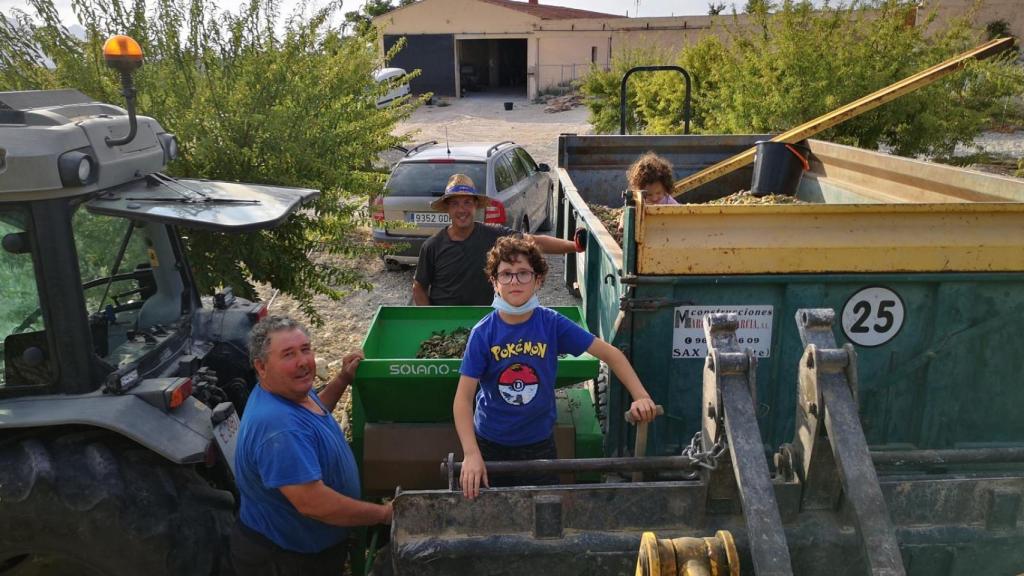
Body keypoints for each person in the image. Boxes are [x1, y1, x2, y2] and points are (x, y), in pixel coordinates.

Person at [453, 237, 658, 499]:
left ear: (538, 280)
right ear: (494, 282)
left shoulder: (551, 324)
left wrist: (641, 396)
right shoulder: (483, 333)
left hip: (538, 444)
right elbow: (463, 398)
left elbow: (612, 354)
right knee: (495, 515)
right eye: (506, 274)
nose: (514, 281)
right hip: (490, 443)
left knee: (543, 515)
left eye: (523, 273)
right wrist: (471, 454)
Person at [231, 315, 392, 576]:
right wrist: (384, 514)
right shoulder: (278, 427)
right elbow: (314, 504)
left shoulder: (291, 395)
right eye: (288, 354)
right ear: (261, 367)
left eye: (305, 349)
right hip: (287, 560)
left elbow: (315, 414)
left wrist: (342, 379)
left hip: (310, 549)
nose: (303, 361)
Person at [412, 173, 583, 306]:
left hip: (488, 320)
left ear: (475, 206)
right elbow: (419, 287)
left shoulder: (494, 235)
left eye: (467, 203)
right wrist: (430, 319)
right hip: (446, 322)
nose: (461, 209)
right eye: (455, 204)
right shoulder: (433, 246)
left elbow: (533, 241)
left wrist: (575, 246)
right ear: (448, 209)